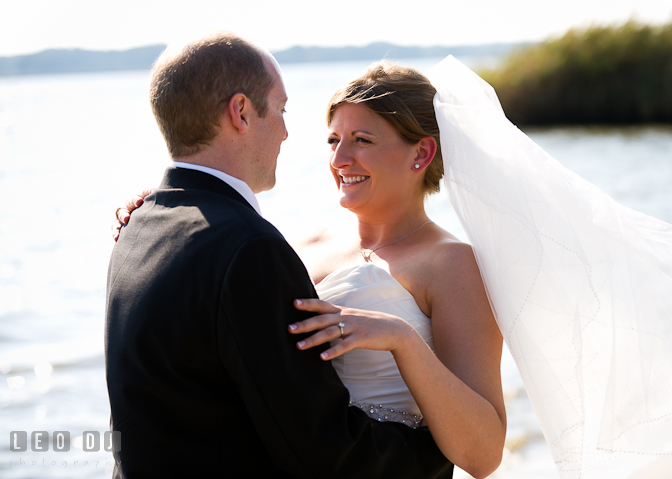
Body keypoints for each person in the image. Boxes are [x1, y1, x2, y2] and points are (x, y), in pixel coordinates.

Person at [115, 54, 672, 478]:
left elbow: (483, 454)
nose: (340, 158)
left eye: (363, 140)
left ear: (421, 153)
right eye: (332, 140)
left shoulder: (451, 266)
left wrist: (404, 340)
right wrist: (166, 213)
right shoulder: (294, 241)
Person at [105, 32, 454, 479]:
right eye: (281, 108)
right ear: (241, 112)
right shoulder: (250, 249)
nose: (288, 132)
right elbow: (321, 448)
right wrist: (439, 451)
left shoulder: (138, 225)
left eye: (361, 139)